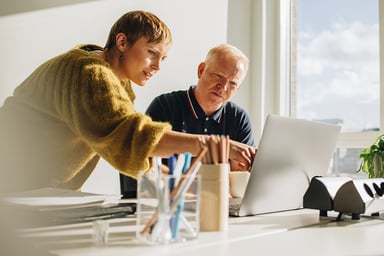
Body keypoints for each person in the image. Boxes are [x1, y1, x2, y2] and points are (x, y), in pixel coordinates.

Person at [0, 10, 255, 195]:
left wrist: (180, 192)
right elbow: (132, 136)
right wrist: (215, 146)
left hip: (39, 193)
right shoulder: (91, 73)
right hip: (14, 185)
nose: (156, 66)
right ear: (122, 42)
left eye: (162, 59)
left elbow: (129, 153)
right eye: (151, 53)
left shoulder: (116, 82)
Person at [145, 43, 256, 171]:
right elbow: (142, 153)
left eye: (233, 83)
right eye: (218, 76)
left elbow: (243, 174)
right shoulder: (165, 105)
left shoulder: (239, 118)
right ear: (201, 70)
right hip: (169, 190)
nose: (223, 87)